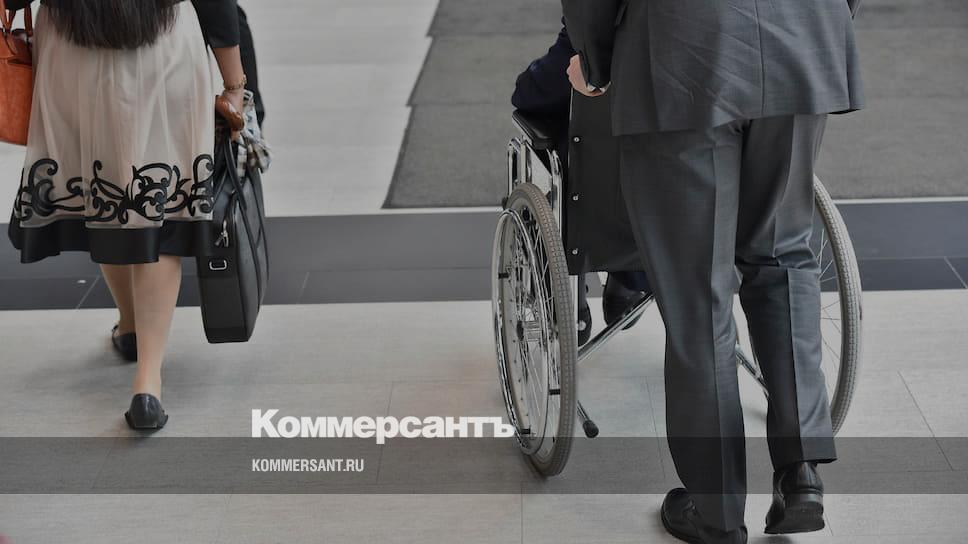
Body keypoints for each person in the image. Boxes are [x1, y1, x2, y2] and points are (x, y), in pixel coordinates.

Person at [562, 1, 864, 542]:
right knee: (783, 256)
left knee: (698, 289)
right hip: (803, 39)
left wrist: (596, 58)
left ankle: (716, 510)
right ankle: (801, 471)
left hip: (679, 51)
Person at [6, 0, 246, 430]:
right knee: (161, 203)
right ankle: (147, 383)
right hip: (164, 44)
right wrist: (234, 83)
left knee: (103, 188)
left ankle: (130, 325)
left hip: (71, 46)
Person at [511, 20, 651, 345]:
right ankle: (632, 279)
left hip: (601, 212)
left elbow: (531, 93)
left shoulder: (593, 24)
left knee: (560, 128)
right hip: (694, 213)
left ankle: (572, 291)